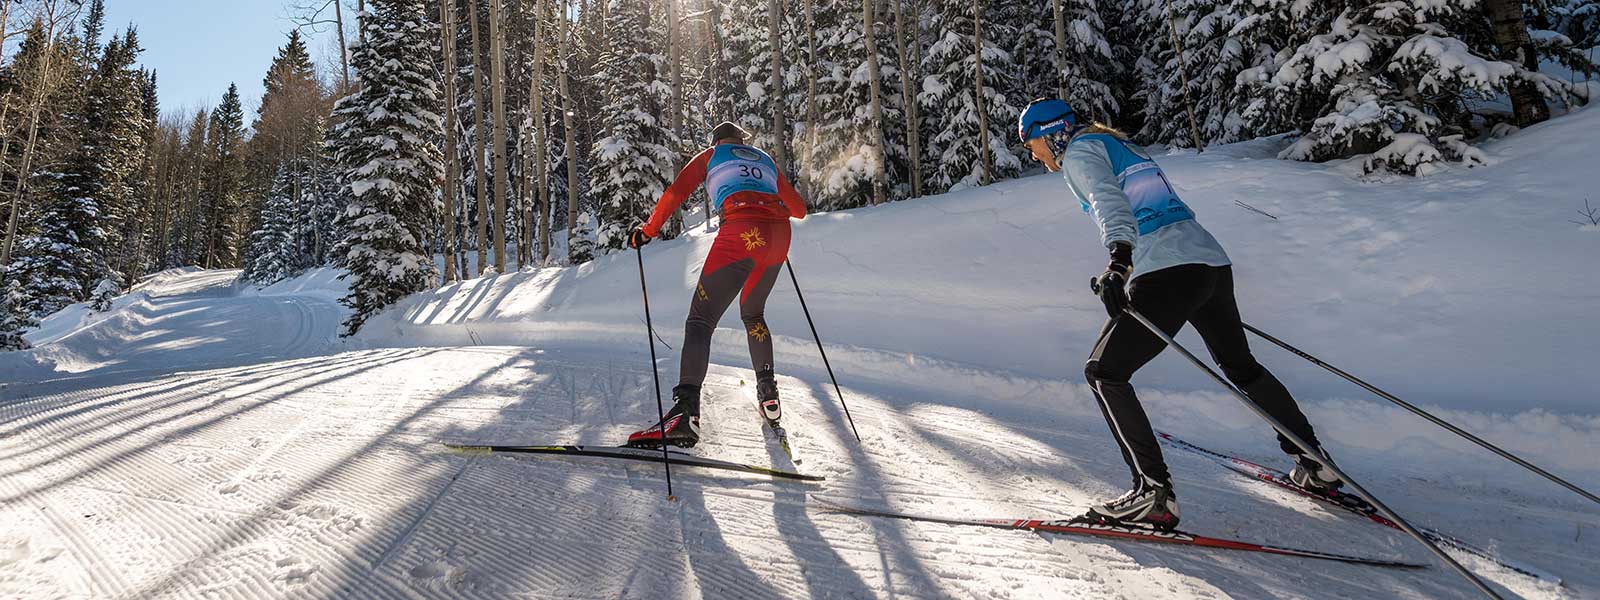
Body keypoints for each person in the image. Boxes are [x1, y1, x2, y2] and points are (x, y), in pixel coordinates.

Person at [1016, 98, 1343, 530]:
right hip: (1208, 263)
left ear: (1050, 132)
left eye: (1030, 143)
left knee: (1104, 372)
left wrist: (1119, 262)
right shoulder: (1118, 145)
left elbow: (1107, 201)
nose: (1033, 154)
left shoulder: (1078, 152)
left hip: (1166, 269)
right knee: (1241, 367)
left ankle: (1152, 493)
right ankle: (1315, 463)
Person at [624, 122, 808, 449]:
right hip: (778, 237)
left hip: (741, 233)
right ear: (742, 141)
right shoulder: (765, 159)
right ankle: (768, 395)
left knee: (700, 320)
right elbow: (800, 210)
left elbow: (675, 194)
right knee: (754, 314)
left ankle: (685, 414)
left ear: (716, 140)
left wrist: (648, 231)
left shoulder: (710, 155)